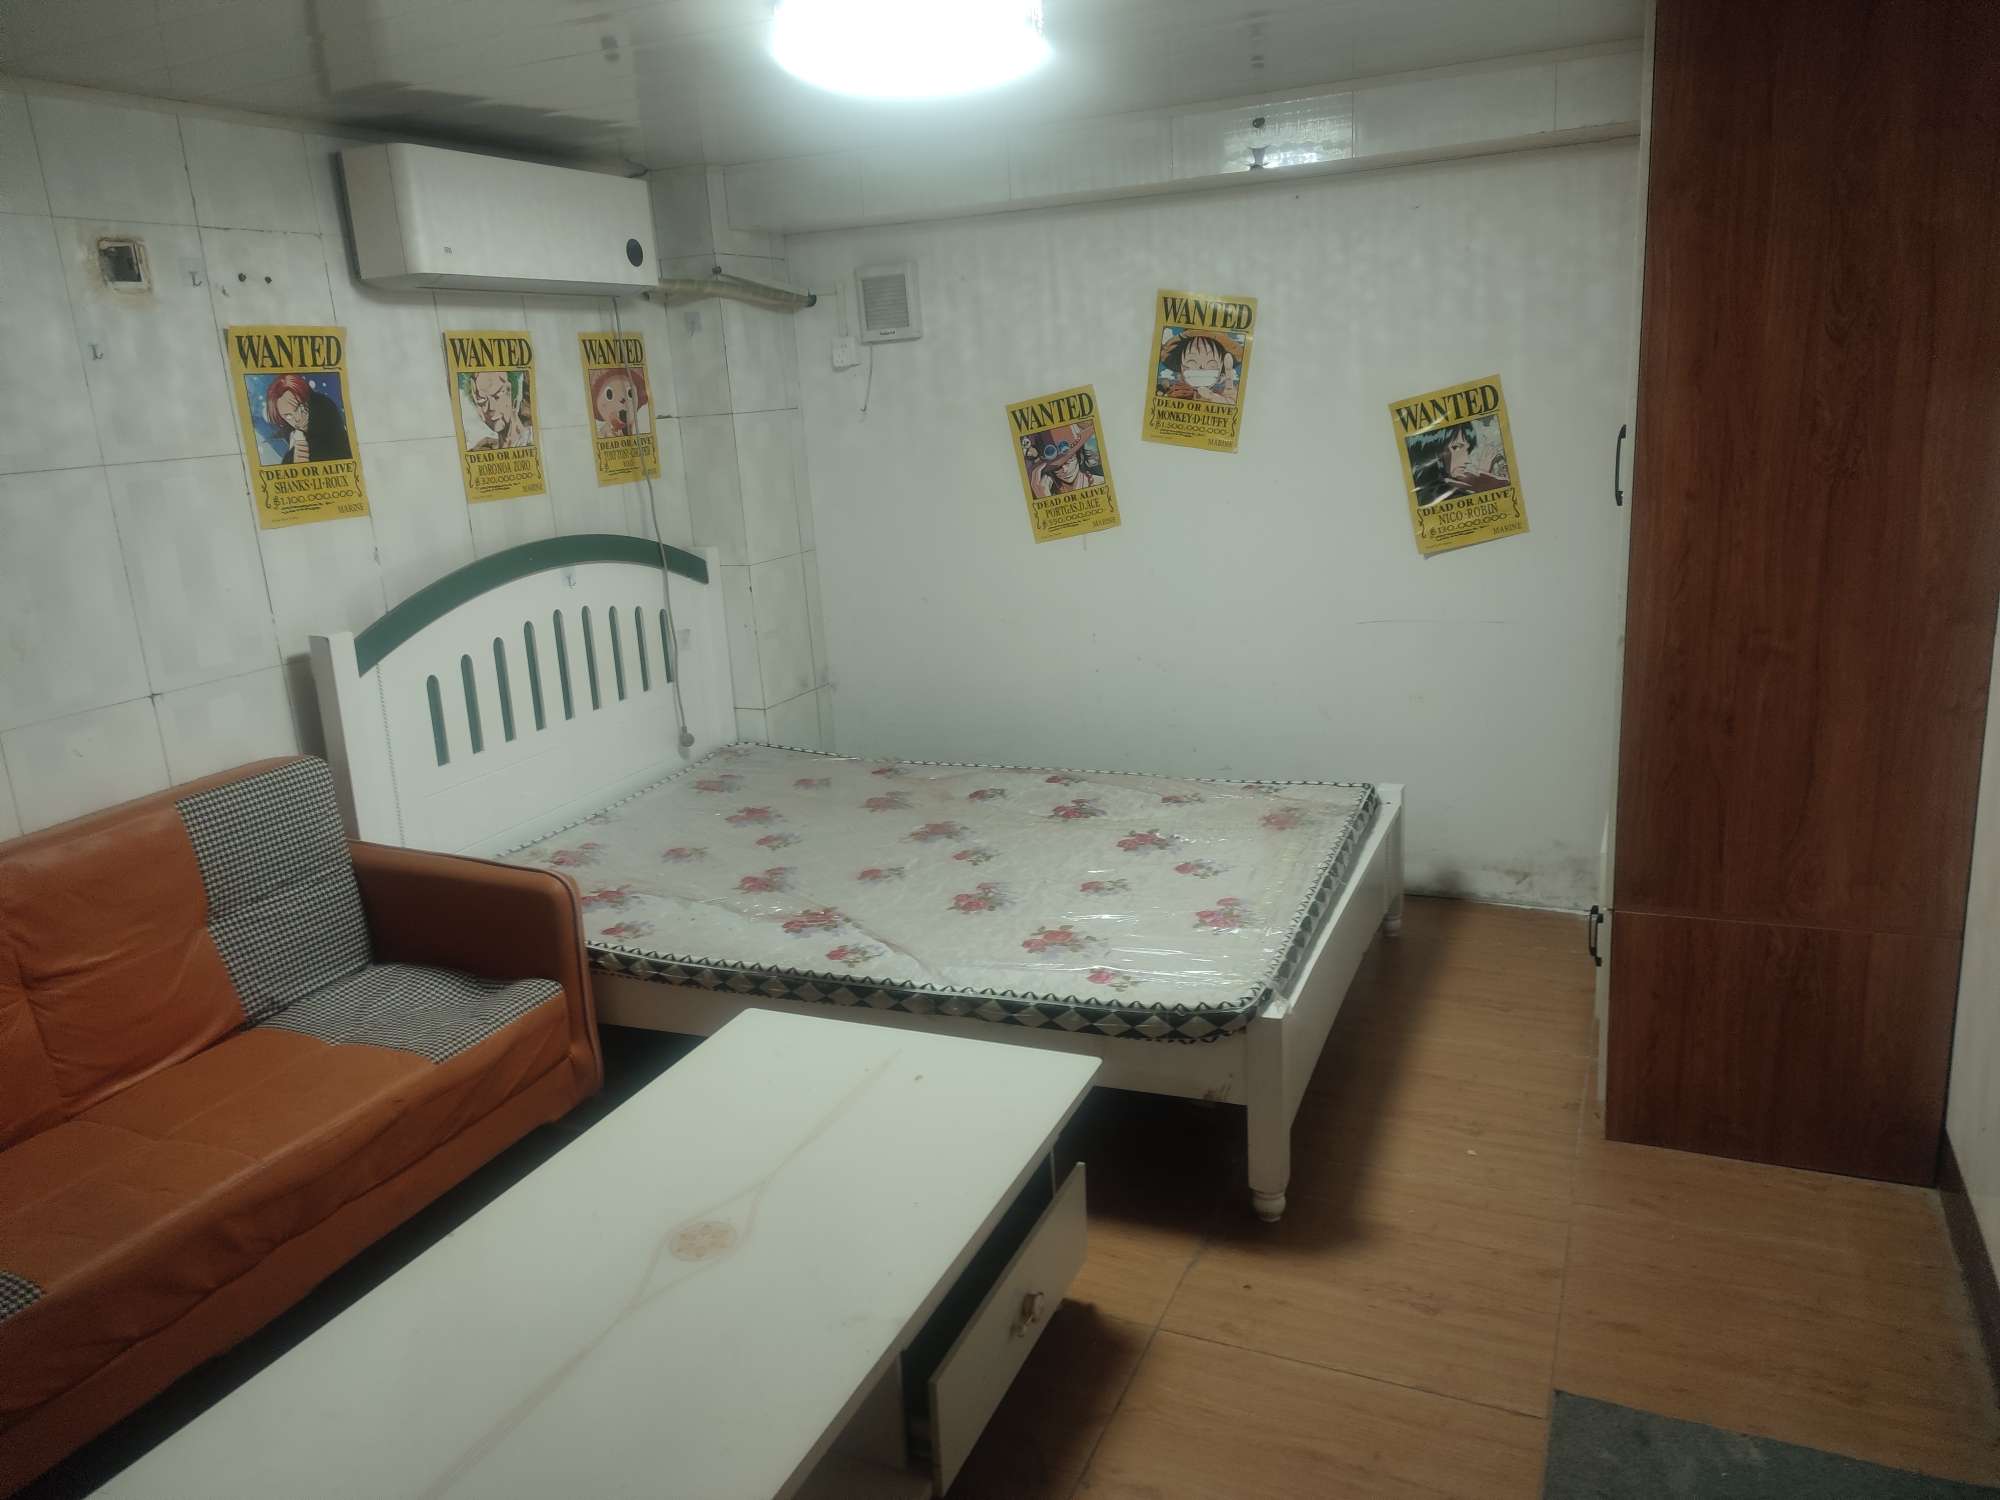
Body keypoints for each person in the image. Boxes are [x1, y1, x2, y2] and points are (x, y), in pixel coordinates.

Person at [1405, 418, 1510, 507]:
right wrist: (1482, 480)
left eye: (1467, 450)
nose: (1466, 460)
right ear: (1433, 450)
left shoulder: (1431, 490)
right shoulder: (1432, 495)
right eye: (1456, 447)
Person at [261, 373, 351, 465]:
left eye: (299, 407)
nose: (297, 419)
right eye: (288, 416)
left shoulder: (326, 413)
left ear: (308, 399)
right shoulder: (293, 436)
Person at [1157, 327, 1244, 405]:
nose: (1201, 368)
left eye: (1211, 364)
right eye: (1192, 362)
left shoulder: (1224, 396)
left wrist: (1214, 398)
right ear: (1181, 367)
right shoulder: (1172, 394)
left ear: (1221, 372)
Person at [462, 369, 535, 450]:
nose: (491, 408)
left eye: (497, 397)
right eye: (482, 400)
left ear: (514, 401)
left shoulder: (531, 441)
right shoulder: (485, 447)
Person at [1028, 422, 1104, 496]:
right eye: (1057, 468)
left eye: (1069, 460)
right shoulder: (1047, 491)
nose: (1064, 469)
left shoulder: (1100, 483)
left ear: (1079, 456)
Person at [589, 365, 649, 438]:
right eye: (609, 394)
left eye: (630, 393)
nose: (622, 399)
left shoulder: (641, 422)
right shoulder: (604, 432)